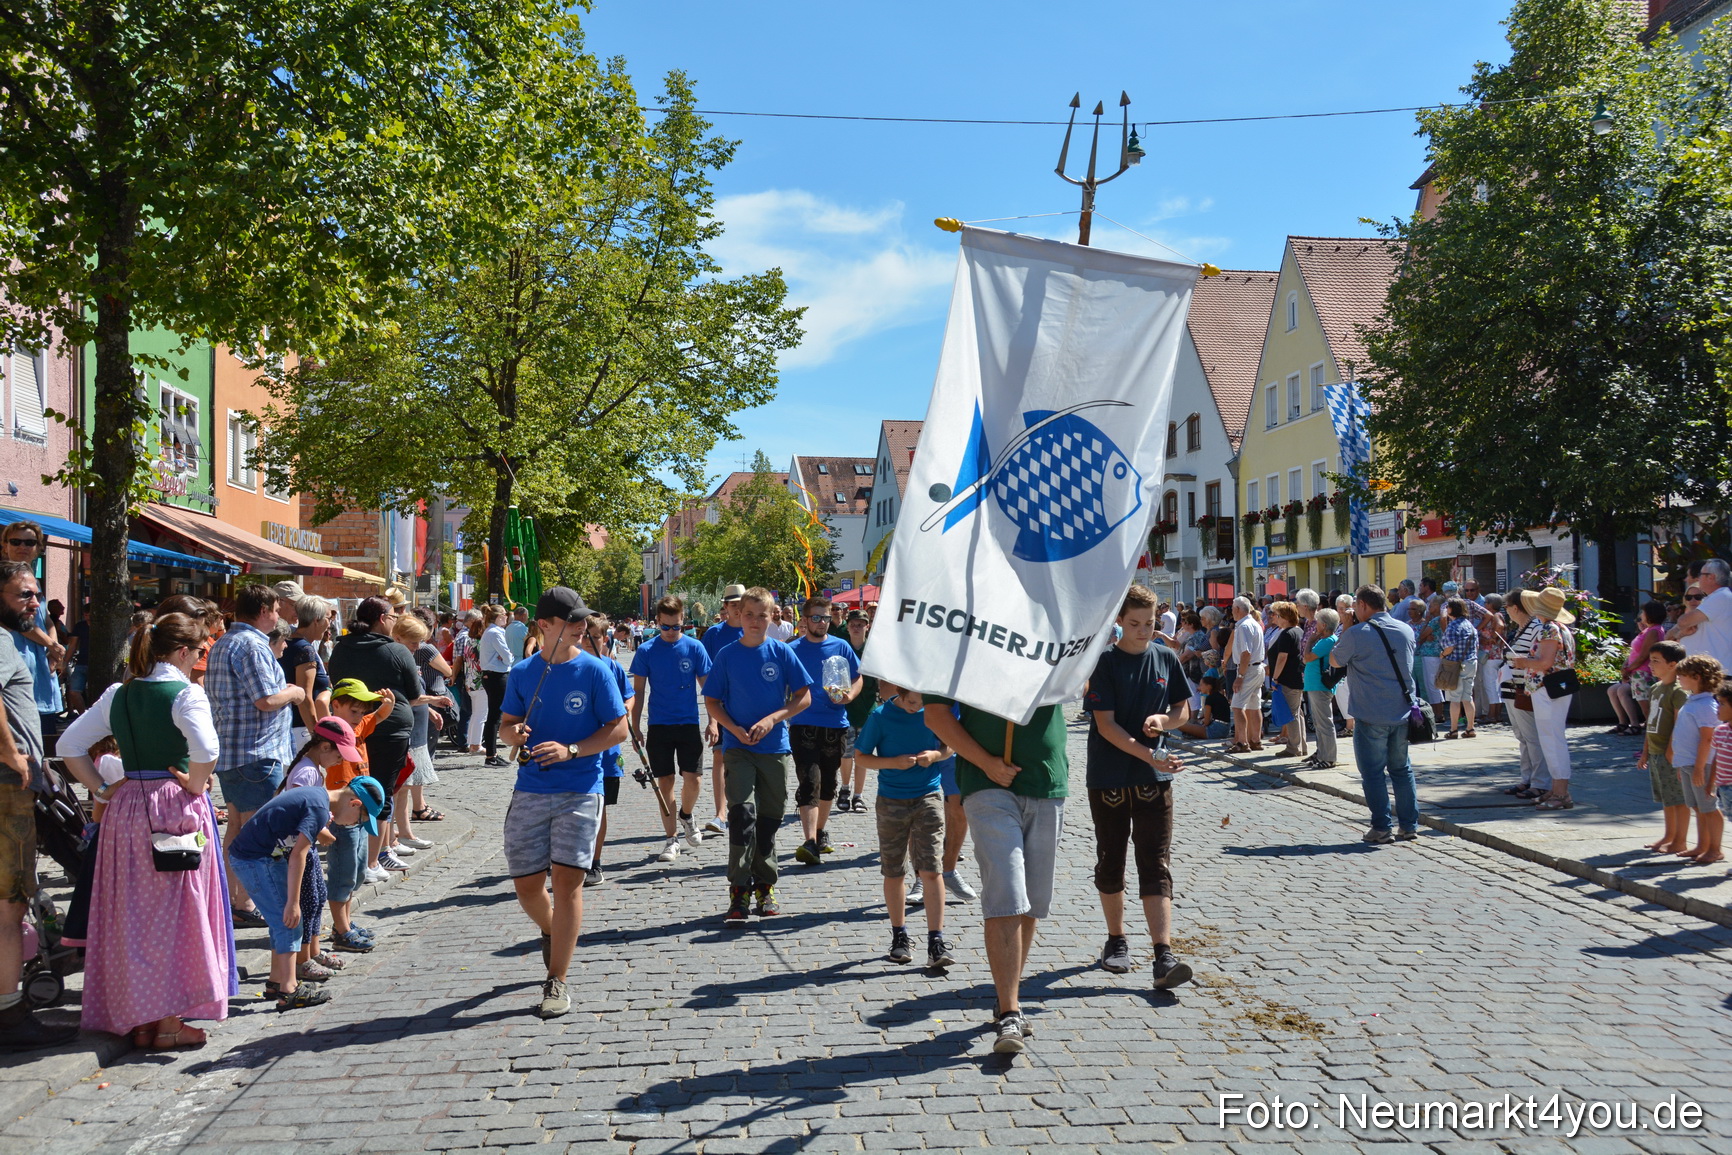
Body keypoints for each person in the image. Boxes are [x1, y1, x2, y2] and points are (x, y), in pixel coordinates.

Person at [56, 610, 235, 1046]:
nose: (199, 659)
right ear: (180, 651)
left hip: (125, 811)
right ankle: (169, 1025)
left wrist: (102, 789)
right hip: (172, 807)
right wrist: (195, 782)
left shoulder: (119, 693)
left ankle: (140, 1017)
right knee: (176, 913)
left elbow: (68, 746)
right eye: (197, 651)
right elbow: (207, 748)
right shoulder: (186, 694)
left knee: (131, 916)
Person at [498, 587, 627, 1019]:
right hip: (531, 789)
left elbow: (619, 729)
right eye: (571, 622)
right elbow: (507, 726)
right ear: (545, 625)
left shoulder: (595, 670)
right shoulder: (522, 672)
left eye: (582, 621)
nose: (580, 627)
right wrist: (513, 736)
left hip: (580, 788)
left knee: (568, 884)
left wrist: (572, 750)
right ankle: (554, 930)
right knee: (528, 887)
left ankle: (557, 980)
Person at [922, 693, 1067, 1056]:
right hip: (987, 785)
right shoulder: (962, 640)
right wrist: (986, 762)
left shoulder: (1055, 635)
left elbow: (1080, 679)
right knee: (1008, 891)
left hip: (1048, 781)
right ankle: (1010, 1011)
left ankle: (1008, 995)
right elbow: (937, 716)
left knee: (1031, 902)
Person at [1084, 584, 1194, 989]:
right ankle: (1116, 940)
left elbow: (1183, 708)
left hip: (1154, 779)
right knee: (1111, 859)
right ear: (1119, 621)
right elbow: (1105, 725)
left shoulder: (1166, 657)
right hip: (1110, 775)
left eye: (1149, 624)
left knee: (1156, 861)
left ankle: (1163, 954)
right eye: (1135, 624)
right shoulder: (1106, 663)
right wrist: (1149, 754)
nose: (1144, 631)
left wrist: (1163, 721)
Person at [703, 587, 813, 922]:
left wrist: (773, 718)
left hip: (774, 748)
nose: (754, 621)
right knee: (742, 818)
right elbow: (712, 702)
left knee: (770, 819)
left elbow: (804, 697)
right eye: (748, 614)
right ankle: (739, 891)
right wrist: (733, 729)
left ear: (772, 617)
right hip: (738, 748)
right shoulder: (727, 655)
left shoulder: (781, 653)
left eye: (761, 615)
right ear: (738, 616)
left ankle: (765, 885)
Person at [230, 776, 383, 1011]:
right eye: (360, 820)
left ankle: (276, 980)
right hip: (255, 860)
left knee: (283, 921)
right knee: (290, 921)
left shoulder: (318, 799)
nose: (355, 825)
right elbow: (298, 856)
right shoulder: (319, 808)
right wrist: (293, 902)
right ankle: (289, 991)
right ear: (354, 804)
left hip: (262, 857)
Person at [0, 568, 74, 1051]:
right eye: (26, 594)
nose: (35, 601)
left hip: (14, 783)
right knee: (10, 902)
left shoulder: (13, 638)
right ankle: (10, 1013)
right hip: (8, 785)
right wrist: (10, 753)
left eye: (37, 593)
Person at [205, 583, 304, 929]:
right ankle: (252, 901)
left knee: (237, 827)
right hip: (256, 753)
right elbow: (265, 699)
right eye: (276, 610)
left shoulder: (224, 642)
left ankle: (238, 901)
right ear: (263, 611)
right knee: (261, 834)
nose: (278, 616)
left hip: (235, 751)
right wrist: (292, 692)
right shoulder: (251, 644)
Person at [328, 596, 447, 872]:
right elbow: (415, 693)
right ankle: (377, 855)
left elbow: (337, 683)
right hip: (389, 729)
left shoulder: (341, 648)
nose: (395, 621)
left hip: (352, 727)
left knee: (354, 789)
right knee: (380, 793)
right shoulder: (396, 651)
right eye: (393, 616)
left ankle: (371, 851)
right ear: (382, 618)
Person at [854, 681, 955, 968]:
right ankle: (900, 936)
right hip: (891, 800)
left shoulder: (935, 712)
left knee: (931, 868)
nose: (917, 708)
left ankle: (936, 940)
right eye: (912, 703)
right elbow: (861, 757)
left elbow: (949, 746)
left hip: (929, 796)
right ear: (900, 692)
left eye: (922, 703)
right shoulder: (880, 717)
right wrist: (891, 762)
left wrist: (935, 755)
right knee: (894, 869)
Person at [1329, 585, 1420, 843]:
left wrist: (1347, 626)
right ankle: (1409, 825)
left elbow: (1335, 660)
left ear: (1363, 606)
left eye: (1356, 606)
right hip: (1403, 711)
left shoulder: (1357, 633)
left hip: (1371, 712)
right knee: (1402, 769)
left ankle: (1381, 827)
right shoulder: (1405, 629)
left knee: (1373, 773)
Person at [629, 594, 712, 863]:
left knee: (694, 779)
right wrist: (635, 726)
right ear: (657, 622)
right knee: (664, 784)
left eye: (676, 627)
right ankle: (671, 839)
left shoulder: (694, 647)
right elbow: (638, 691)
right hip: (659, 725)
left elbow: (708, 689)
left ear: (683, 622)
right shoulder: (646, 650)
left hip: (688, 722)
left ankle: (686, 815)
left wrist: (714, 721)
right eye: (665, 627)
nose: (671, 632)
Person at [787, 596, 861, 867]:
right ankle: (809, 841)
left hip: (835, 725)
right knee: (809, 781)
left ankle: (819, 832)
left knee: (828, 784)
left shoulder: (840, 646)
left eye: (826, 617)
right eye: (816, 618)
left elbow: (857, 676)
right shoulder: (792, 648)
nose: (821, 623)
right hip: (802, 723)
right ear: (804, 621)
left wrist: (850, 696)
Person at [323, 679, 395, 941]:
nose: (359, 717)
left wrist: (389, 702)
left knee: (358, 872)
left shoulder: (362, 724)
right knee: (342, 875)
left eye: (362, 712)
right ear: (337, 705)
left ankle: (346, 922)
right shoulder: (330, 731)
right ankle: (341, 929)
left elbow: (381, 714)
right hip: (342, 814)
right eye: (353, 711)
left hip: (361, 811)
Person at [1507, 588, 1576, 811]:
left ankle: (1561, 792)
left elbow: (1544, 662)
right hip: (1556, 687)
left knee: (1552, 740)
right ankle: (1557, 790)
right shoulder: (1561, 628)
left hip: (1547, 688)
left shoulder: (1548, 628)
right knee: (1552, 739)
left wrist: (1523, 662)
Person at [577, 614, 632, 887]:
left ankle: (594, 862)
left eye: (595, 637)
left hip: (608, 753)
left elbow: (628, 696)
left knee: (600, 810)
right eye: (585, 636)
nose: (589, 642)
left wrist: (623, 714)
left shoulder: (612, 666)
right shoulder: (570, 666)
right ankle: (574, 859)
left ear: (604, 638)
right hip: (578, 749)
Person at [390, 614, 448, 856]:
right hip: (406, 728)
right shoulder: (396, 657)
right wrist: (433, 700)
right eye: (414, 643)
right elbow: (406, 697)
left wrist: (430, 710)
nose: (417, 648)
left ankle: (404, 832)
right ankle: (399, 834)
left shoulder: (404, 655)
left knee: (405, 785)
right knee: (401, 785)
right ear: (399, 637)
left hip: (416, 724)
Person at [0, 525, 63, 744]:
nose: (22, 547)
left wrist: (53, 648)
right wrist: (51, 645)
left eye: (29, 542)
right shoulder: (5, 578)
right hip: (15, 659)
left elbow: (46, 620)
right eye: (16, 542)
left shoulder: (32, 580)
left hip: (39, 668)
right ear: (4, 545)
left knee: (41, 738)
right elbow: (17, 622)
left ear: (38, 548)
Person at [699, 585, 747, 834]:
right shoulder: (713, 636)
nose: (738, 608)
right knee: (719, 756)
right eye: (733, 603)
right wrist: (712, 720)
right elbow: (707, 682)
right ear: (725, 607)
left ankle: (747, 808)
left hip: (750, 707)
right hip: (722, 707)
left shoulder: (755, 630)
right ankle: (720, 813)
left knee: (752, 757)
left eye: (741, 603)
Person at [1670, 654, 1723, 864]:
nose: (1679, 679)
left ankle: (1715, 848)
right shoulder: (1692, 701)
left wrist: (1700, 767)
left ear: (1697, 677)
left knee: (1709, 806)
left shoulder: (1705, 705)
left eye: (1682, 675)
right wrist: (1680, 764)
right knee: (1697, 806)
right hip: (1688, 764)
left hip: (1701, 764)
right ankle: (1702, 845)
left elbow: (1708, 738)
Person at [1639, 641, 1690, 854]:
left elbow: (1679, 724)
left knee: (1679, 799)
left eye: (1656, 661)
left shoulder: (1678, 692)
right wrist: (1645, 753)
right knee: (1666, 798)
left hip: (1670, 754)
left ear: (1673, 665)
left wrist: (1672, 750)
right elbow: (1651, 723)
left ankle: (1681, 840)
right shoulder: (1655, 688)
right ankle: (1669, 836)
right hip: (1655, 752)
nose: (1650, 665)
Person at [837, 610, 876, 815]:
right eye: (853, 623)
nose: (856, 627)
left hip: (868, 710)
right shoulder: (842, 648)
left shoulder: (873, 650)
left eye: (861, 624)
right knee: (846, 753)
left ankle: (858, 796)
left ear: (867, 626)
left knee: (862, 755)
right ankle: (844, 789)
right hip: (845, 710)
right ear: (848, 624)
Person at [282, 595, 333, 750]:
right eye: (327, 619)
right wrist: (316, 735)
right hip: (300, 730)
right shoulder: (304, 649)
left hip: (290, 727)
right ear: (316, 620)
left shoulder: (287, 642)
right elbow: (304, 697)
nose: (329, 624)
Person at [1613, 602, 1668, 737]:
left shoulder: (1654, 630)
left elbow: (1644, 655)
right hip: (1639, 672)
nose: (1641, 615)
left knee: (1647, 709)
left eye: (1643, 613)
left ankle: (1653, 739)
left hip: (1643, 673)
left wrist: (1629, 669)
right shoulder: (1649, 630)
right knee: (1646, 707)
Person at [1670, 558, 1732, 668]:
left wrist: (1680, 629)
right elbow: (1671, 634)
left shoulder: (1720, 596)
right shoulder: (1715, 598)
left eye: (1701, 574)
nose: (1698, 578)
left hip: (1714, 672)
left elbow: (1683, 621)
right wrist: (1680, 632)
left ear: (1711, 577)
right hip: (1705, 671)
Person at [1300, 608, 1341, 768]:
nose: (1315, 625)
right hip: (1315, 685)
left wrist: (1310, 641)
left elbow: (1307, 657)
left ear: (1324, 625)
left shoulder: (1328, 640)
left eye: (1317, 622)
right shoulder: (1325, 640)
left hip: (1320, 686)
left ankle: (1329, 757)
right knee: (1318, 722)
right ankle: (1322, 753)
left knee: (1324, 722)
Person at [1265, 602, 1307, 760]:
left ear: (1284, 617)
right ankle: (1300, 746)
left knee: (1291, 714)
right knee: (1297, 712)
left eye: (1275, 615)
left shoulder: (1287, 633)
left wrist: (1275, 678)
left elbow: (1282, 657)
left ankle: (1293, 747)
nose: (1273, 617)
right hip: (1296, 678)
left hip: (1288, 679)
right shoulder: (1298, 631)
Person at [1227, 597, 1265, 754]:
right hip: (1257, 667)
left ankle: (1242, 742)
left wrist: (1240, 676)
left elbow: (1246, 653)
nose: (1231, 612)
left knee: (1237, 705)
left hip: (1248, 669)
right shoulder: (1254, 623)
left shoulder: (1243, 626)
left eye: (1232, 609)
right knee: (1254, 706)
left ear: (1237, 609)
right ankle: (1255, 740)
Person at [1439, 597, 1480, 739]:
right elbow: (1476, 646)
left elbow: (1449, 647)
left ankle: (1453, 730)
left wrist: (1443, 654)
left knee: (1454, 698)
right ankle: (1470, 728)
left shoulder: (1452, 626)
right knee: (1467, 697)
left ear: (1451, 610)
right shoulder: (1470, 625)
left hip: (1455, 665)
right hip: (1471, 663)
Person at [479, 605, 514, 766]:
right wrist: (506, 657)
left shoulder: (492, 631)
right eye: (505, 615)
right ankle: (490, 755)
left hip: (493, 674)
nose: (507, 617)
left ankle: (492, 753)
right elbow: (508, 657)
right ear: (499, 616)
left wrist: (505, 657)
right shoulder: (495, 633)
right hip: (497, 675)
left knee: (494, 715)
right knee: (494, 716)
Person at [455, 610, 486, 754]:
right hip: (478, 680)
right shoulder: (477, 642)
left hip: (470, 679)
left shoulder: (468, 641)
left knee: (473, 713)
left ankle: (472, 742)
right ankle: (473, 744)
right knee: (478, 714)